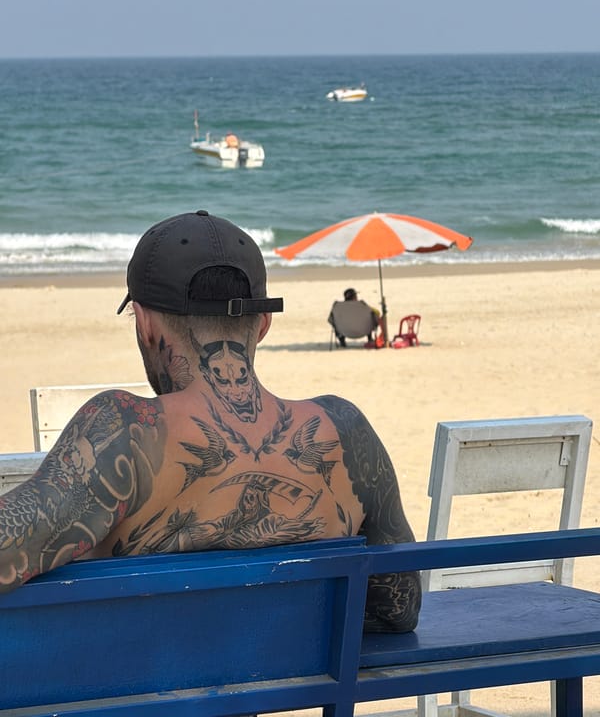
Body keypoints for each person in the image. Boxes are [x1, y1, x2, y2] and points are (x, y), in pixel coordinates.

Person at [0, 210, 421, 632]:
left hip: (135, 690)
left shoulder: (125, 431)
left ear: (145, 323)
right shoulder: (345, 430)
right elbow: (399, 609)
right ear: (263, 324)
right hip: (278, 691)